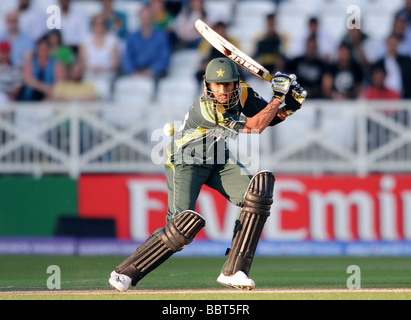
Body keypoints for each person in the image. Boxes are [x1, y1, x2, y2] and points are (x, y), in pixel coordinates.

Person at [108, 58, 306, 292]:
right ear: (207, 85)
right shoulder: (207, 109)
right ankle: (125, 273)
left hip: (217, 158)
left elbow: (268, 118)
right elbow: (255, 127)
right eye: (216, 85)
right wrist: (277, 97)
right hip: (184, 161)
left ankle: (234, 271)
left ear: (236, 83)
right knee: (180, 228)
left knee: (257, 195)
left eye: (227, 84)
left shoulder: (243, 93)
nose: (222, 91)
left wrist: (289, 106)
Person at [18, 36, 65, 101]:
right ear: (37, 50)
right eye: (41, 49)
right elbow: (27, 79)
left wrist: (50, 91)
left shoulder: (56, 63)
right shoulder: (30, 63)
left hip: (50, 96)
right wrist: (43, 88)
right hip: (30, 97)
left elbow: (60, 81)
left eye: (45, 49)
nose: (43, 52)